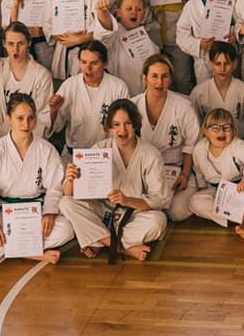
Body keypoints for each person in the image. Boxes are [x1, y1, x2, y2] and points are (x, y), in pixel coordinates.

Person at [58, 98, 171, 261]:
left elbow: (159, 199)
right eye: (116, 124)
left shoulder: (150, 154)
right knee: (65, 203)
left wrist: (127, 200)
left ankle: (98, 240)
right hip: (102, 212)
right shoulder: (99, 149)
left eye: (128, 123)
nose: (122, 130)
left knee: (158, 221)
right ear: (109, 128)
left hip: (132, 215)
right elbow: (69, 194)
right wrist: (70, 180)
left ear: (135, 125)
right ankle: (121, 248)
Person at [0, 96, 66, 267]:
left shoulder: (46, 150)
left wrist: (49, 213)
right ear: (9, 118)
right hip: (4, 215)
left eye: (30, 118)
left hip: (35, 214)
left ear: (36, 120)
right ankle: (32, 254)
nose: (26, 124)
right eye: (20, 118)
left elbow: (55, 188)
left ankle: (9, 250)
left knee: (66, 228)